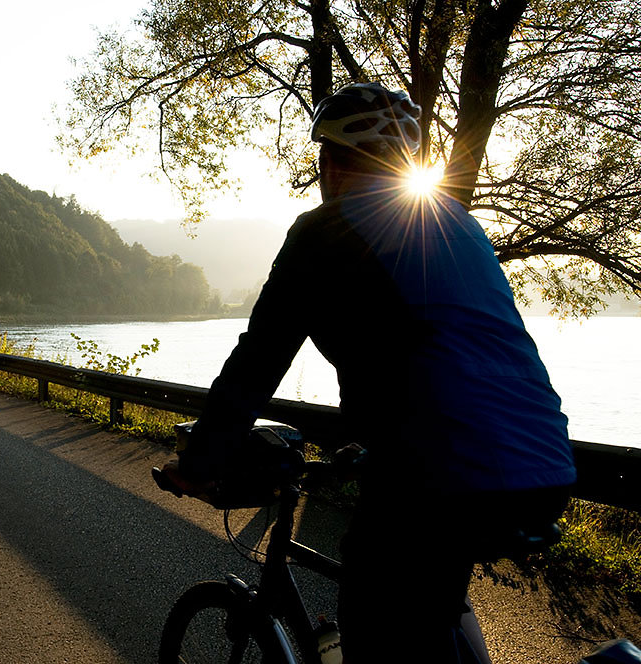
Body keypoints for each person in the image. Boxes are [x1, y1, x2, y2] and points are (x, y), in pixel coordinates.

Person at [160, 83, 577, 663]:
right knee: (429, 600)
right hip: (547, 465)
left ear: (330, 161)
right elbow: (442, 352)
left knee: (378, 602)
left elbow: (256, 361)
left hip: (441, 473)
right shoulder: (459, 224)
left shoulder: (323, 231)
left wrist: (199, 462)